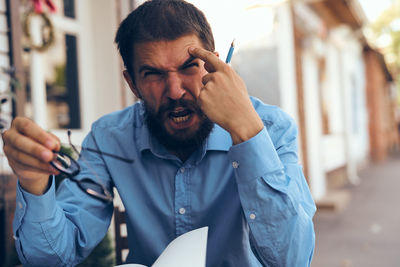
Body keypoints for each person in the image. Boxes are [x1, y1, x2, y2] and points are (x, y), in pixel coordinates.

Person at [3, 0, 316, 266]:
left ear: (214, 67)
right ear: (132, 84)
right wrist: (33, 182)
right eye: (153, 74)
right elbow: (55, 258)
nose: (175, 91)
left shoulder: (270, 129)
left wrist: (246, 133)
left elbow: (291, 259)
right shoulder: (109, 138)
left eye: (189, 66)